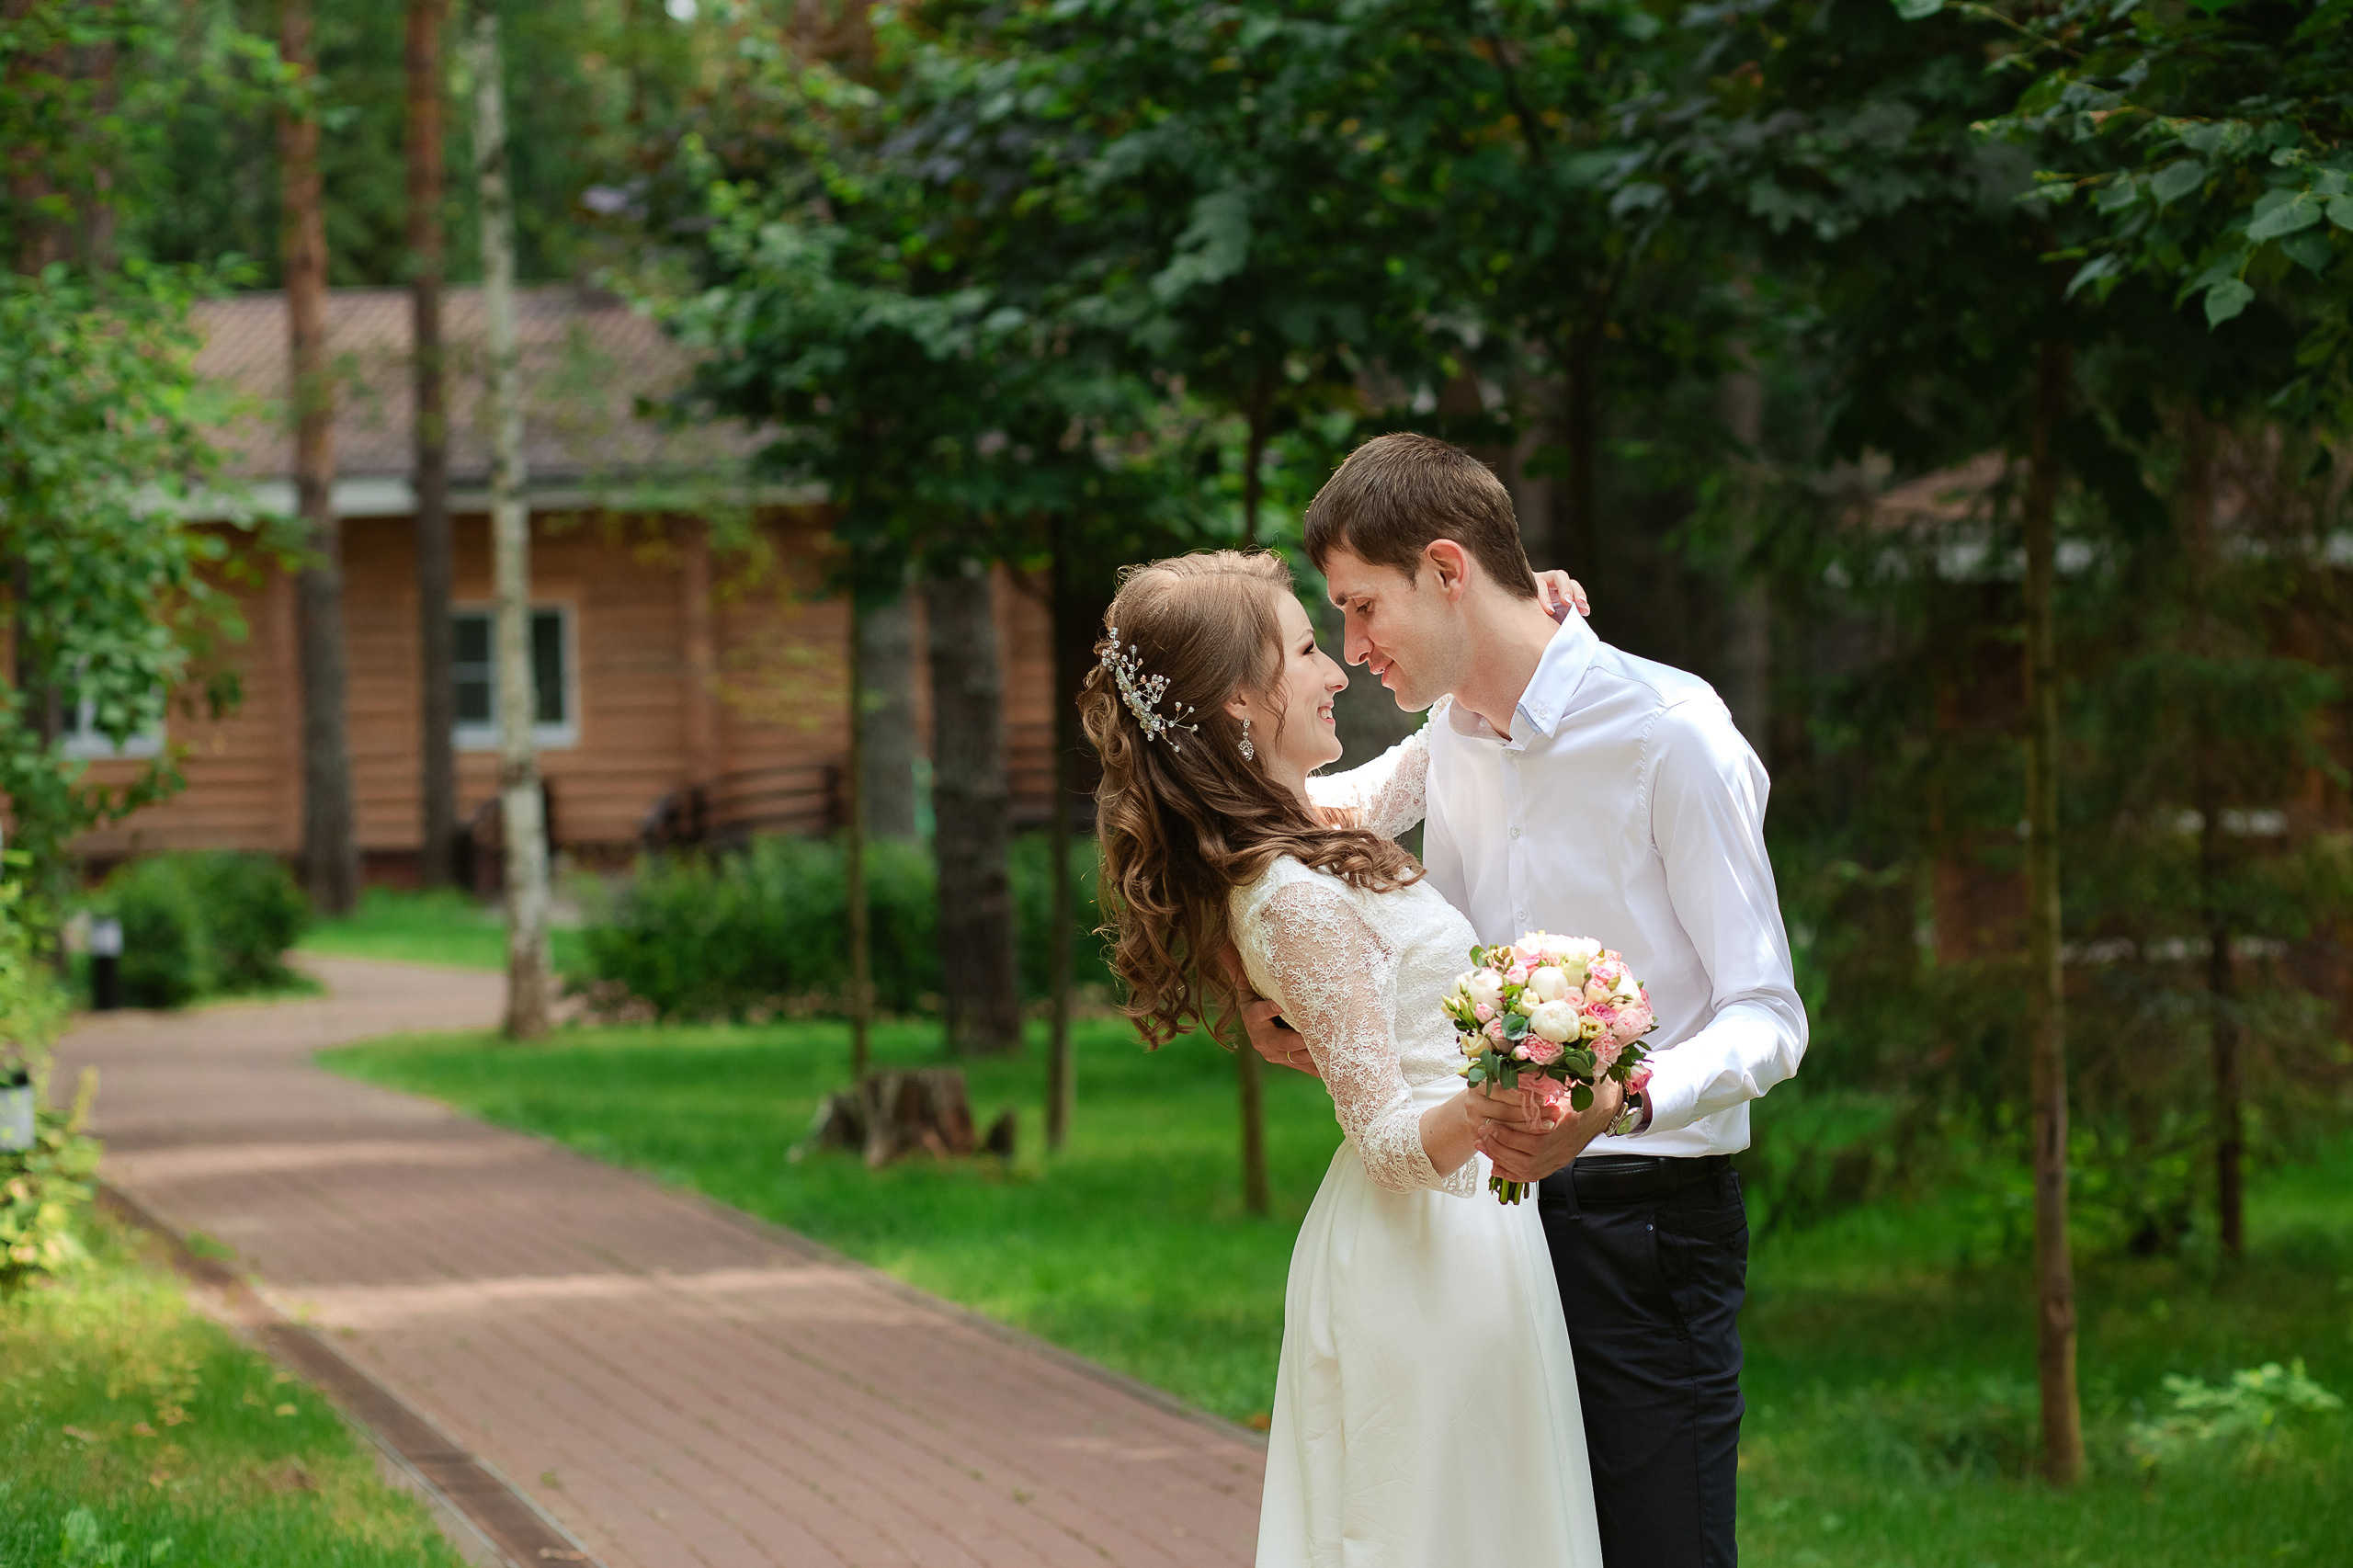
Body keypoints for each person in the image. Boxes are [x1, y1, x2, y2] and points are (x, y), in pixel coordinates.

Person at [1240, 432, 1809, 1568]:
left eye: (1361, 608)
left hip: (1641, 1224)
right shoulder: (1443, 735)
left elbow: (1767, 1011)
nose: (1351, 651)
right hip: (1476, 1227)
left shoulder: (1670, 731)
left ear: (1447, 571)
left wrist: (1623, 1099)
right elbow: (1285, 841)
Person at [1080, 550, 1612, 1568]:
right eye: (1308, 648)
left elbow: (1436, 747)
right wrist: (1501, 1091)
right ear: (1239, 700)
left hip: (1469, 1238)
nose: (1336, 672)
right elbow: (1382, 1141)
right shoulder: (1288, 894)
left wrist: (1508, 623)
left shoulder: (1312, 829)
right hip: (1418, 1253)